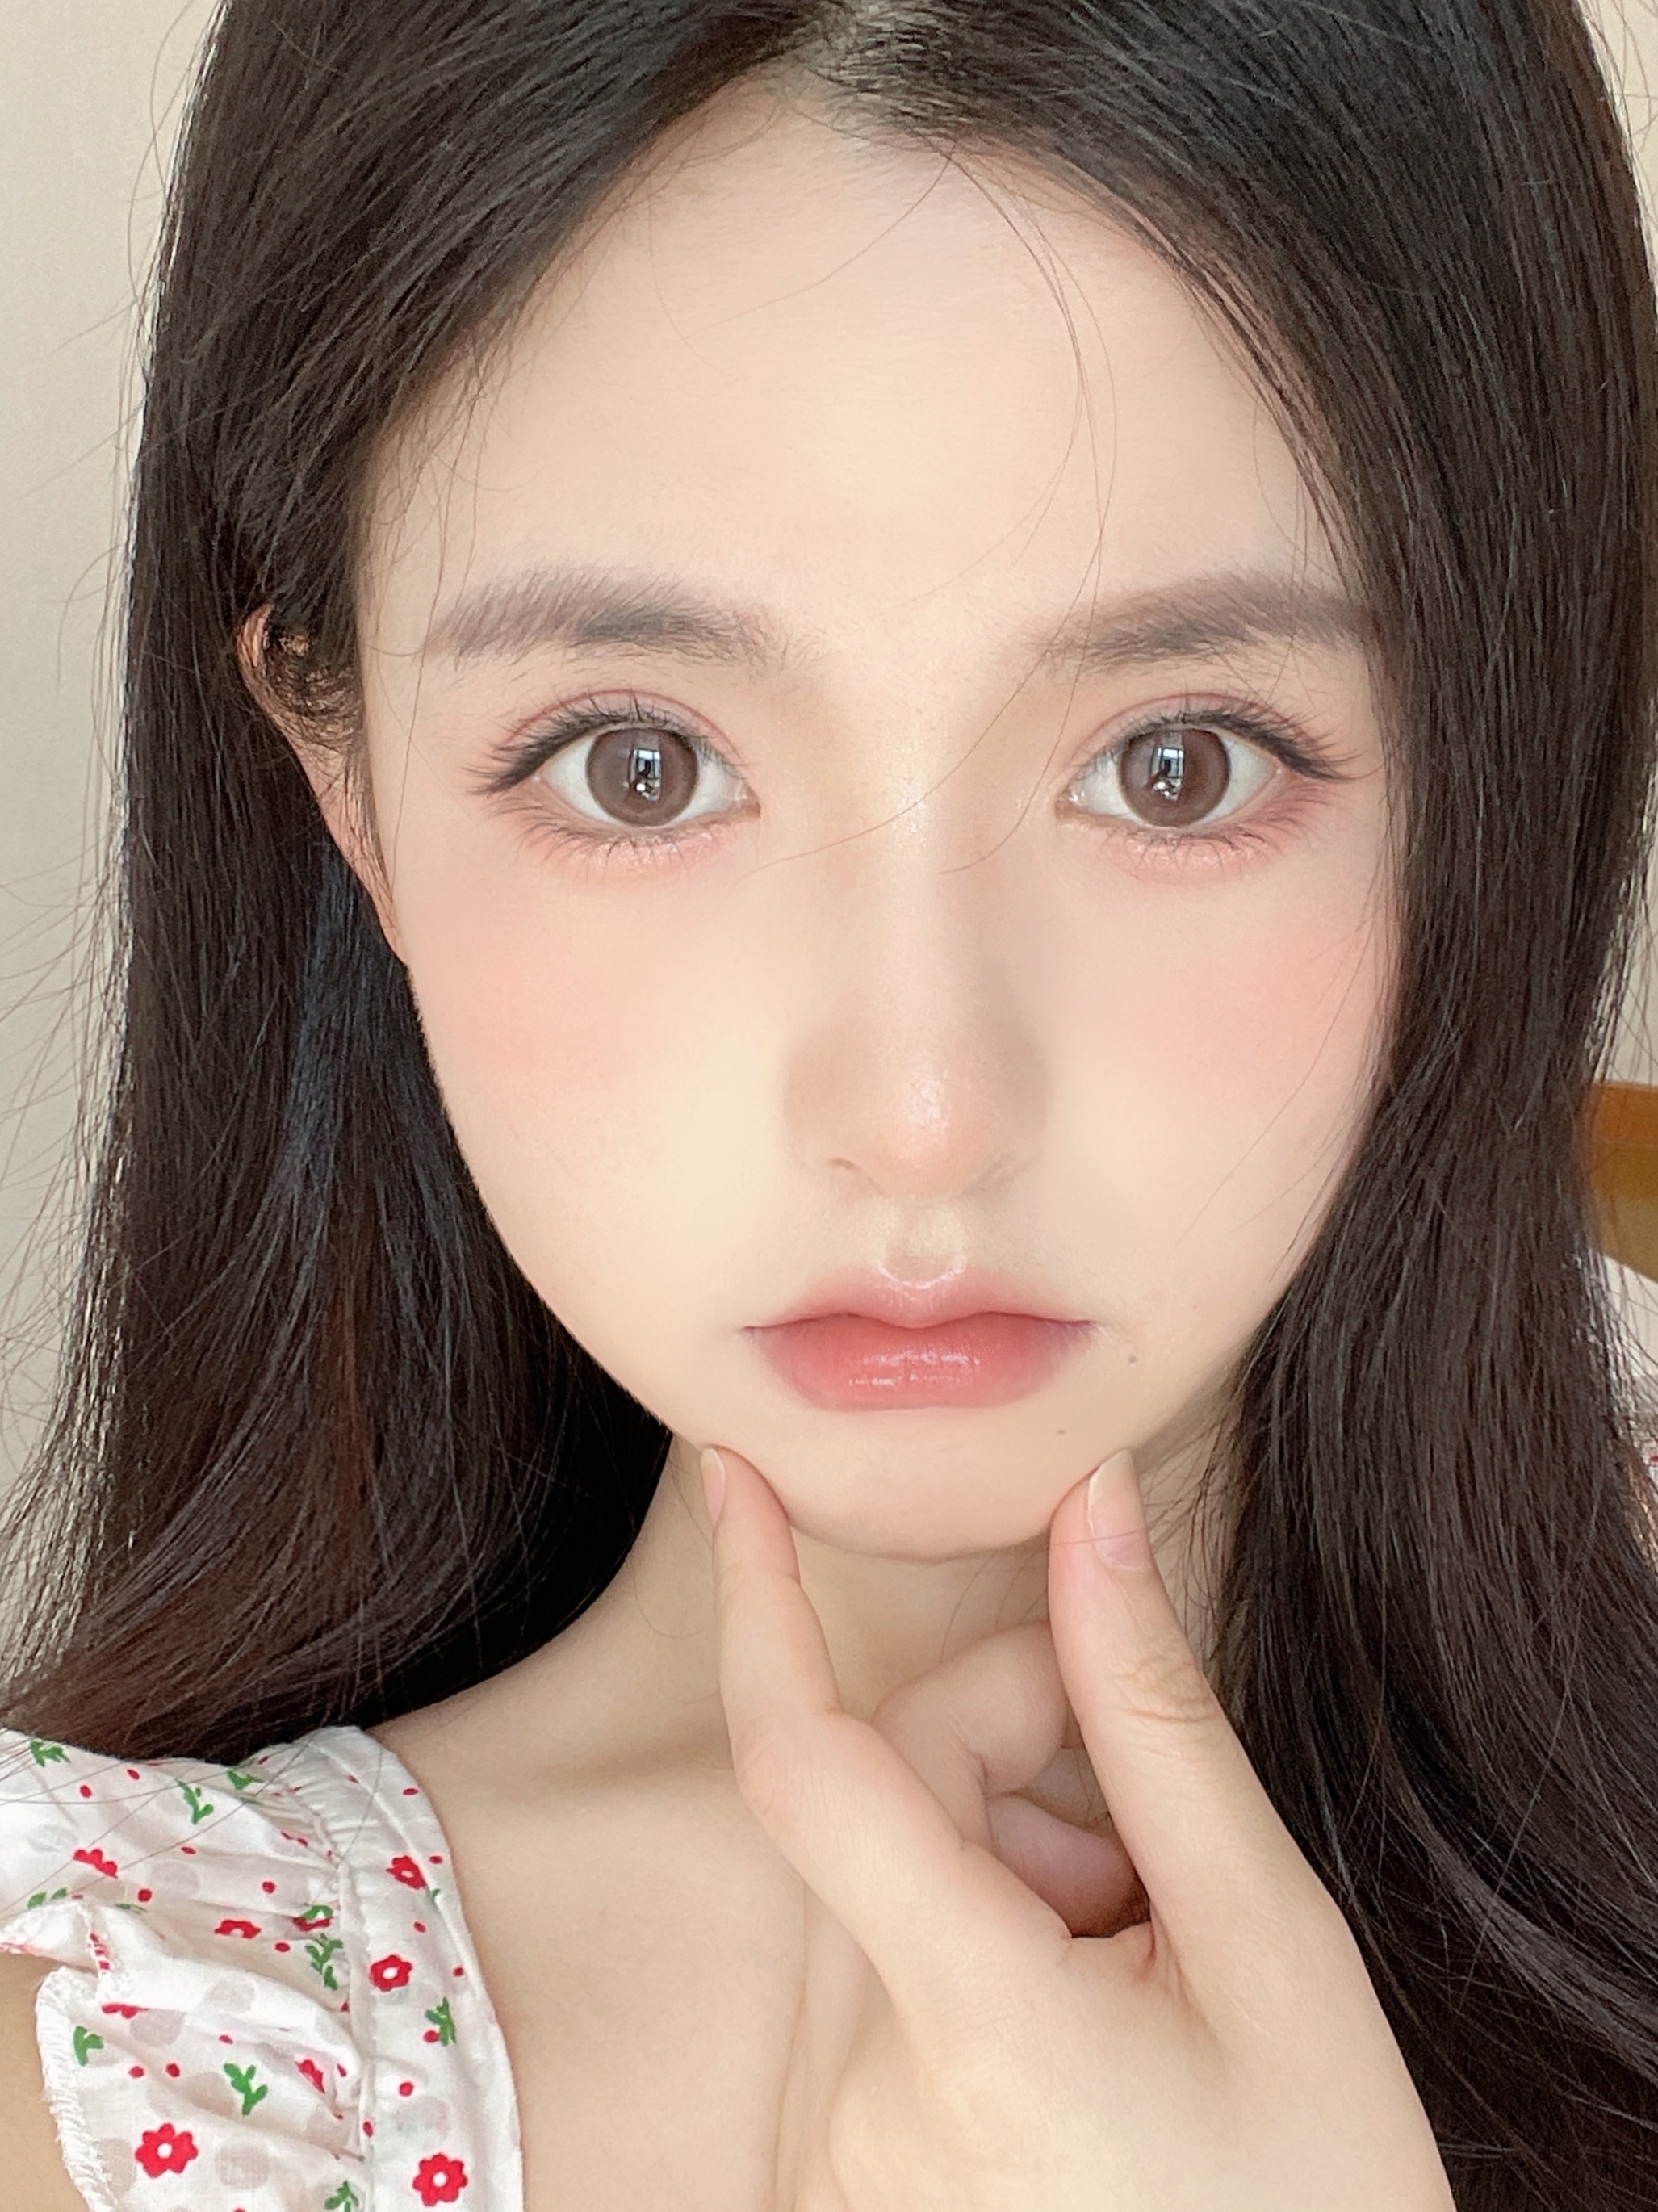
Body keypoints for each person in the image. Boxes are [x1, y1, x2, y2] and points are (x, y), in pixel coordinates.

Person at [2, 1, 1658, 2206]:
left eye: (1177, 766)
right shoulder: (106, 2073)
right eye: (640, 766)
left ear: (1494, 777)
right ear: (347, 777)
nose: (923, 1109)